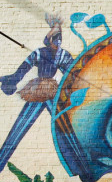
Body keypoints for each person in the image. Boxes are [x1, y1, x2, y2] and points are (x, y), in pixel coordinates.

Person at [0, 13, 74, 172]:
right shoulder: (40, 53)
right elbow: (23, 69)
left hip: (51, 91)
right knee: (19, 129)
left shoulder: (62, 55)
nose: (57, 41)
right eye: (55, 38)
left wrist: (66, 91)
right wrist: (12, 80)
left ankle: (81, 168)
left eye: (58, 37)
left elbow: (72, 73)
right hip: (39, 90)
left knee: (66, 129)